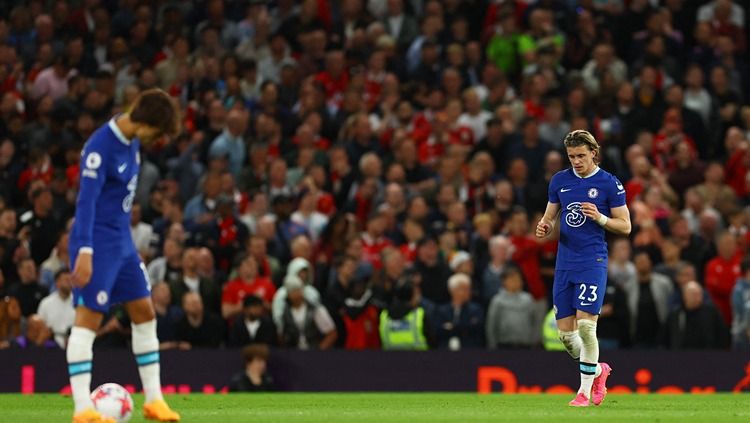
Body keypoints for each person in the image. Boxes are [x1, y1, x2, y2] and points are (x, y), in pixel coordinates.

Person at [66, 88, 181, 422]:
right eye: (157, 133)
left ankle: (154, 401)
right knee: (88, 319)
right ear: (143, 122)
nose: (157, 140)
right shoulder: (99, 148)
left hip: (122, 243)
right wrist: (84, 252)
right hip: (97, 243)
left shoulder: (132, 144)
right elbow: (85, 204)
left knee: (145, 312)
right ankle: (82, 409)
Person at [535, 130, 631, 407]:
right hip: (565, 263)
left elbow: (625, 226)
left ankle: (583, 393)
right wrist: (545, 226)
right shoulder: (560, 181)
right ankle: (599, 370)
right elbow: (550, 215)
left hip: (593, 260)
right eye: (571, 156)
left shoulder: (609, 184)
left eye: (580, 155)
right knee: (566, 336)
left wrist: (600, 217)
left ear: (593, 153)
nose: (576, 161)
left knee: (587, 328)